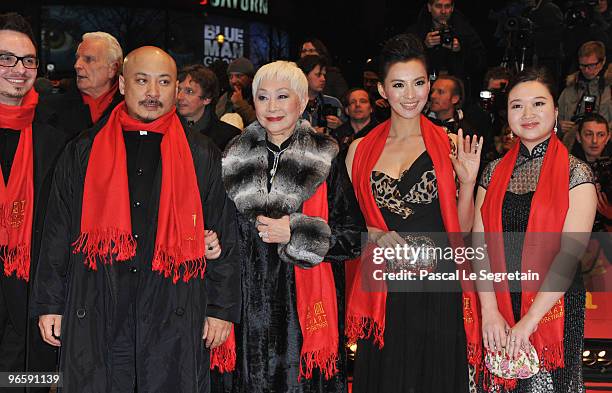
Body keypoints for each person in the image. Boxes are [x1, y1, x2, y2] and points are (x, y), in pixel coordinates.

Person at [31, 46, 241, 392]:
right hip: (98, 299)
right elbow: (57, 230)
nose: (153, 93)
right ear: (124, 85)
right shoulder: (83, 149)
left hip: (173, 303)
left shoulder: (202, 153)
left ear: (176, 88)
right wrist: (50, 304)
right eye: (142, 81)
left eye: (164, 82)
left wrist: (221, 308)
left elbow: (224, 232)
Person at [345, 33, 483, 393]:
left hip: (439, 286)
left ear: (429, 84)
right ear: (383, 91)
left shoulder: (450, 143)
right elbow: (345, 226)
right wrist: (374, 234)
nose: (411, 95)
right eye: (399, 85)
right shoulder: (358, 151)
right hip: (385, 289)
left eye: (419, 83)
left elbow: (463, 229)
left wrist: (467, 184)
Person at [219, 60, 365, 393]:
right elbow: (220, 226)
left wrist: (298, 233)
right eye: (263, 97)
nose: (272, 107)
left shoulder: (325, 161)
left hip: (303, 322)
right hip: (245, 317)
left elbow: (354, 237)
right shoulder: (231, 160)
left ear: (301, 102)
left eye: (282, 96)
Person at [473, 67, 597, 392]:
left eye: (538, 104)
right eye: (517, 105)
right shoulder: (493, 171)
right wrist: (488, 311)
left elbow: (569, 255)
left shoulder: (576, 173)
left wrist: (529, 321)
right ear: (507, 114)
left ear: (556, 111)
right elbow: (479, 245)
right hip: (499, 303)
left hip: (553, 305)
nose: (527, 114)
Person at [0, 12, 68, 391]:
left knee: (28, 384)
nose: (18, 69)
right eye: (6, 58)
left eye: (28, 60)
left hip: (32, 307)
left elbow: (61, 232)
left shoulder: (54, 142)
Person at [46, 32, 124, 137]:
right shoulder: (48, 111)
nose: (77, 65)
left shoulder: (133, 109)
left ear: (113, 69)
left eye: (88, 59)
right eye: (77, 58)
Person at [407, 0, 487, 98]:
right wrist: (423, 46)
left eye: (447, 6)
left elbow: (481, 62)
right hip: (424, 89)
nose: (443, 11)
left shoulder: (464, 31)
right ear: (429, 7)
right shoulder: (417, 32)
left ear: (452, 8)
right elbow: (405, 62)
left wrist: (461, 49)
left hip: (456, 91)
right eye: (438, 6)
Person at [177, 64, 240, 150]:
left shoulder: (229, 138)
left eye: (189, 91)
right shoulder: (165, 129)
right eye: (178, 90)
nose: (179, 97)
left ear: (207, 98)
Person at [558, 41, 612, 135]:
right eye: (582, 65)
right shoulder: (569, 90)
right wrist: (557, 127)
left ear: (603, 61)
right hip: (571, 145)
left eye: (591, 65)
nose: (586, 70)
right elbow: (551, 122)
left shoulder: (609, 89)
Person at [297, 55, 345, 133]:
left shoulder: (332, 102)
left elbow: (347, 131)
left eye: (324, 75)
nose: (323, 79)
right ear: (304, 76)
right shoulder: (292, 103)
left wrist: (340, 125)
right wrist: (313, 132)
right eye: (318, 75)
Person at [215, 57, 257, 127]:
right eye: (230, 77)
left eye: (239, 76)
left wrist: (240, 104)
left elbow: (260, 126)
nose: (233, 81)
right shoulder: (226, 97)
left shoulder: (259, 96)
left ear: (251, 78)